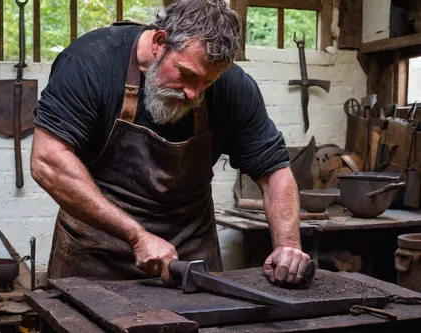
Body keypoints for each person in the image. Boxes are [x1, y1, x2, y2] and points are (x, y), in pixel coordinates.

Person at [31, 0, 311, 285]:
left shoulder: (233, 86)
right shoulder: (90, 63)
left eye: (206, 84)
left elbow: (274, 170)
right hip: (95, 253)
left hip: (189, 257)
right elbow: (47, 160)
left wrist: (288, 245)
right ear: (159, 42)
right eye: (187, 75)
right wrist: (136, 235)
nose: (193, 94)